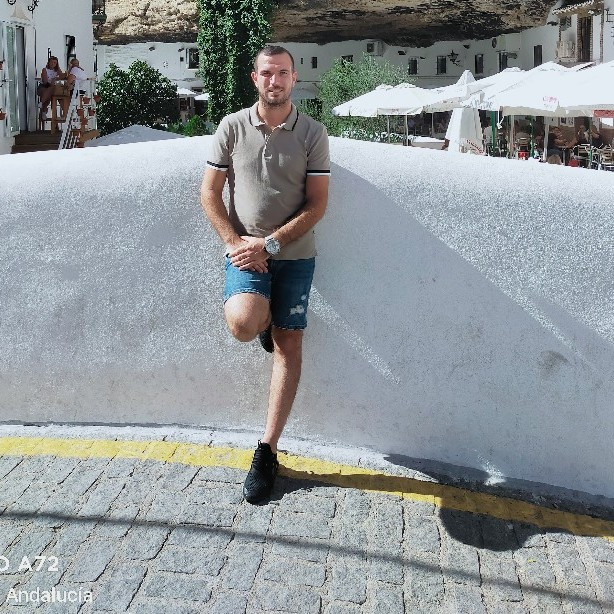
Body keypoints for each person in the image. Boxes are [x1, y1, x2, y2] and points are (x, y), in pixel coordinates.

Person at [201, 45, 330, 504]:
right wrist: (237, 244)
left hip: (294, 255)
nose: (275, 81)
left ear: (294, 78)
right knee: (242, 324)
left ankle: (267, 450)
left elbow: (317, 204)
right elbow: (210, 193)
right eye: (267, 73)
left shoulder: (312, 132)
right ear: (255, 78)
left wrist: (270, 244)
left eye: (283, 73)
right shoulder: (232, 127)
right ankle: (263, 322)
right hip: (244, 254)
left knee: (289, 343)